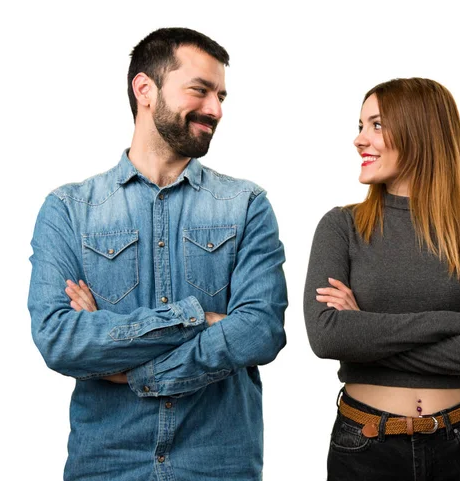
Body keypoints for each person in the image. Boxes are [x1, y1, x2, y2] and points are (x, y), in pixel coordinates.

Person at [28, 27, 287, 481]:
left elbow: (259, 332)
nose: (216, 109)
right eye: (200, 90)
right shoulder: (68, 211)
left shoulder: (247, 205)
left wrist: (128, 371)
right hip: (106, 465)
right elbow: (60, 339)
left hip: (218, 465)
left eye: (221, 95)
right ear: (145, 89)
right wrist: (199, 319)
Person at [303, 78, 460, 480]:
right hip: (366, 446)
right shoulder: (341, 227)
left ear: (420, 132)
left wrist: (365, 340)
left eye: (376, 125)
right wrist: (454, 324)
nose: (359, 139)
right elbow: (328, 337)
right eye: (360, 125)